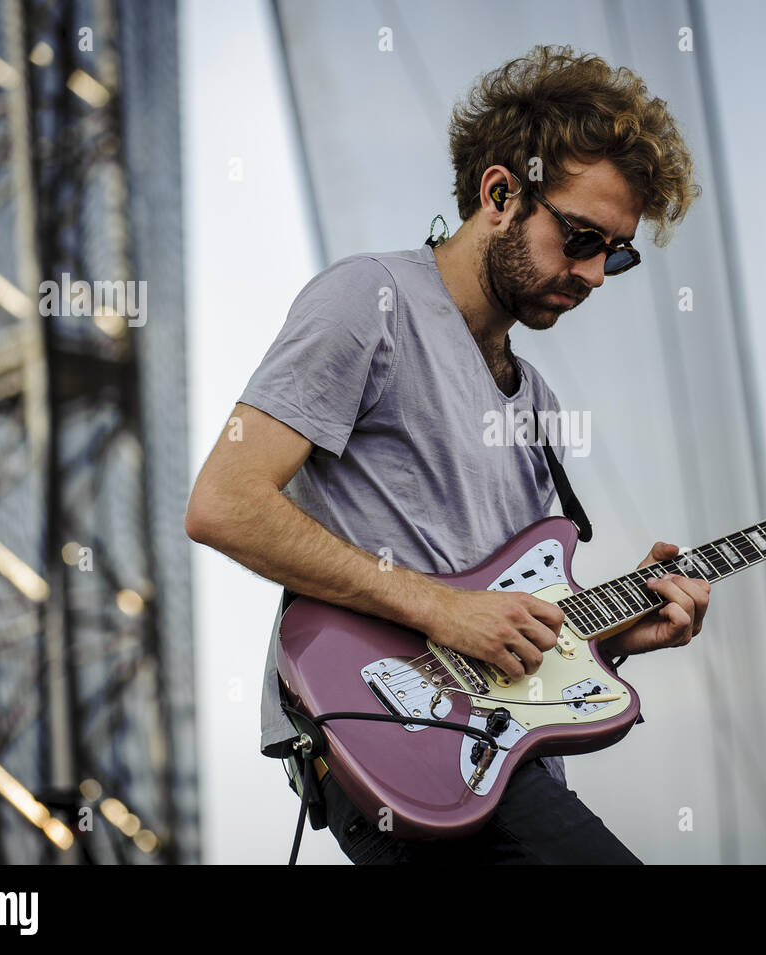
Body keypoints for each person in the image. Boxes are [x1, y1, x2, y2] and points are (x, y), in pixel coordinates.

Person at [185, 44, 706, 864]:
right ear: (500, 194)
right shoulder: (371, 302)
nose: (597, 273)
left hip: (504, 761)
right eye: (579, 237)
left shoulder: (536, 403)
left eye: (617, 252)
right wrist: (441, 609)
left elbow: (502, 606)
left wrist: (612, 635)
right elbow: (224, 502)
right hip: (389, 733)